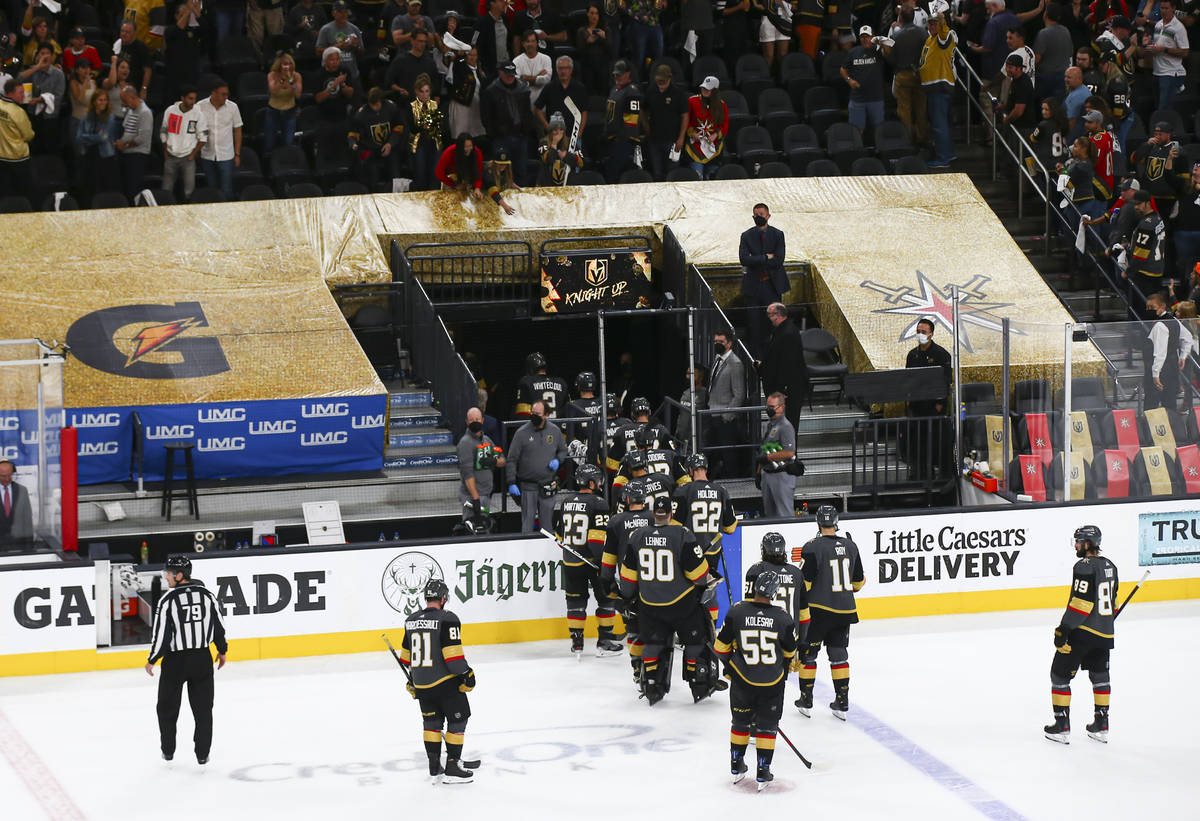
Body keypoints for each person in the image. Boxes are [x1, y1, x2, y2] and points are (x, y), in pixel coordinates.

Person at [618, 494, 718, 705]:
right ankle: (696, 678)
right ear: (671, 513)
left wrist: (627, 598)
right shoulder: (683, 534)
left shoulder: (636, 536)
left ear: (653, 513)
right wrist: (707, 575)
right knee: (696, 639)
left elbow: (627, 579)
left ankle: (651, 683)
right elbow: (698, 576)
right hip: (682, 605)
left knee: (653, 643)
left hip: (650, 606)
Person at [715, 569, 797, 790]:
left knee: (740, 723)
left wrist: (732, 666)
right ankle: (763, 770)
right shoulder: (783, 618)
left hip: (742, 680)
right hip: (772, 682)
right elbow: (790, 653)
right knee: (767, 726)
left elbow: (720, 647)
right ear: (774, 592)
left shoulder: (737, 612)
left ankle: (736, 765)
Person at [145, 555, 228, 765]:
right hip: (202, 659)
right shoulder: (208, 595)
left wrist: (152, 659)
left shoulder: (168, 600)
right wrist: (222, 650)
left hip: (175, 662)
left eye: (169, 574)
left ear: (179, 575)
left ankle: (168, 751)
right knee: (203, 710)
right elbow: (219, 626)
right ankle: (202, 754)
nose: (166, 578)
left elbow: (161, 635)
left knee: (166, 708)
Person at [1044, 525, 1119, 744]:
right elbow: (1113, 603)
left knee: (1059, 675)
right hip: (1104, 634)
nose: (1075, 545)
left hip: (1082, 632)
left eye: (1078, 542)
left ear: (1087, 544)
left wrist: (1063, 630)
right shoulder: (1111, 566)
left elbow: (1080, 604)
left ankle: (1061, 727)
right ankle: (1101, 725)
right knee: (1100, 676)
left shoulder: (1083, 566)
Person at [399, 579, 477, 783]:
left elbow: (406, 658)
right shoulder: (448, 618)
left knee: (431, 724)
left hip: (422, 685)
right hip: (445, 683)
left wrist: (413, 681)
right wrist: (467, 675)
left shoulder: (411, 620)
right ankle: (453, 764)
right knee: (459, 720)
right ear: (443, 598)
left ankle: (434, 766)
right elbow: (453, 659)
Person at [796, 505, 864, 720]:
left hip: (818, 610)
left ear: (818, 523)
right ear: (836, 523)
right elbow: (858, 583)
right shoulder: (851, 546)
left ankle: (806, 699)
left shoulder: (811, 546)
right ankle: (842, 701)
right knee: (838, 655)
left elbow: (804, 584)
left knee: (809, 655)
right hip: (844, 609)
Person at [553, 463, 623, 657]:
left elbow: (559, 537)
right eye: (598, 480)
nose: (600, 483)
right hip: (591, 560)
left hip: (571, 561)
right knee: (607, 598)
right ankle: (604, 641)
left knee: (575, 601)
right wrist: (603, 565)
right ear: (591, 482)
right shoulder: (598, 503)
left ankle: (577, 643)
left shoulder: (566, 502)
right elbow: (596, 539)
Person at [671, 452, 737, 621]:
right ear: (706, 469)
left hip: (690, 551)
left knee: (687, 591)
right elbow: (730, 528)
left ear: (691, 470)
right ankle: (711, 630)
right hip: (712, 550)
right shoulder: (721, 491)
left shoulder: (684, 490)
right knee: (709, 591)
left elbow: (675, 527)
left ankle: (689, 630)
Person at [506, 400, 568, 533]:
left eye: (538, 414)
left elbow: (563, 450)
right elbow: (511, 459)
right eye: (532, 413)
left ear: (546, 415)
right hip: (528, 487)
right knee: (527, 525)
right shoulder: (521, 433)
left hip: (548, 485)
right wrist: (511, 482)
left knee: (547, 527)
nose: (534, 416)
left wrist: (558, 460)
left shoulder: (555, 431)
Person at [739, 203, 788, 359]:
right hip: (753, 287)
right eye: (756, 214)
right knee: (754, 324)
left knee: (773, 322)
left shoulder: (778, 234)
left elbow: (779, 260)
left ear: (768, 216)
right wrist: (767, 257)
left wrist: (756, 259)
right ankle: (756, 359)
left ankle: (774, 355)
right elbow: (744, 259)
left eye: (761, 214)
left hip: (771, 286)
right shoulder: (746, 235)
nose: (758, 217)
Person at [743, 531, 811, 642]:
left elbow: (750, 609)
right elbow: (804, 614)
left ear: (764, 550)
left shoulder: (756, 570)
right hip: (791, 637)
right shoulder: (797, 573)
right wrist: (802, 640)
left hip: (765, 636)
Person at [481, 62, 534, 187]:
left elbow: (527, 112)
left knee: (521, 169)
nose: (510, 77)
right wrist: (494, 133)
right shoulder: (491, 91)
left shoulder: (523, 90)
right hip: (501, 138)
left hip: (520, 136)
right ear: (500, 73)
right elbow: (485, 116)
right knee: (500, 171)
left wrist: (526, 129)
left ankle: (520, 198)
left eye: (512, 75)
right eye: (507, 75)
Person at [758, 302, 809, 428]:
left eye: (769, 314)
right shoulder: (780, 330)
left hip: (788, 389)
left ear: (778, 315)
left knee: (789, 423)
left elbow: (789, 364)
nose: (768, 318)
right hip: (781, 387)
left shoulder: (788, 333)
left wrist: (782, 389)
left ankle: (789, 447)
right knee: (778, 424)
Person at [919, 7, 958, 168]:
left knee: (939, 124)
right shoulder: (930, 39)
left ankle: (943, 158)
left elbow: (943, 32)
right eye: (930, 24)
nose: (931, 27)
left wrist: (942, 21)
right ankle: (949, 153)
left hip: (940, 86)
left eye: (935, 24)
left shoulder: (945, 36)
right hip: (934, 87)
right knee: (943, 123)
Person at [706, 329, 746, 479]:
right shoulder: (717, 359)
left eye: (720, 342)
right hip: (712, 411)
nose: (717, 344)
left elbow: (739, 394)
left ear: (729, 343)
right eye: (715, 342)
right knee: (714, 450)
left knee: (728, 452)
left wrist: (727, 416)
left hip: (724, 416)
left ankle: (733, 480)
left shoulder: (735, 363)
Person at [457, 406, 505, 527]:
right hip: (472, 497)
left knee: (485, 528)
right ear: (467, 422)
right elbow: (467, 474)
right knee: (472, 529)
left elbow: (503, 461)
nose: (475, 422)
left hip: (486, 494)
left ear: (482, 420)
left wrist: (492, 461)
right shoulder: (465, 443)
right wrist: (476, 499)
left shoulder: (487, 440)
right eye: (472, 420)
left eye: (477, 419)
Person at [1145, 290, 1192, 410]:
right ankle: (1172, 427)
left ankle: (1150, 428)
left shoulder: (1160, 325)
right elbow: (1188, 338)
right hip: (1172, 368)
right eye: (1147, 307)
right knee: (1170, 404)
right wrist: (1182, 356)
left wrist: (1155, 374)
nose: (1149, 310)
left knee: (1151, 405)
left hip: (1160, 370)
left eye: (1152, 307)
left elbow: (1160, 353)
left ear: (1162, 307)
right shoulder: (1173, 319)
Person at [350, 87, 404, 190]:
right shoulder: (361, 114)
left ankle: (397, 194)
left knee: (395, 166)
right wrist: (353, 143)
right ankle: (370, 193)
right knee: (363, 161)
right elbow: (353, 133)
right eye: (372, 105)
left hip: (389, 147)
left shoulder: (391, 108)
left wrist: (390, 143)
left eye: (377, 104)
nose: (375, 107)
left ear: (382, 101)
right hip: (369, 149)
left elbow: (399, 127)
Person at [197, 81, 243, 201]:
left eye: (227, 94)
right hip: (207, 154)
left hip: (226, 155)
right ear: (214, 93)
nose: (226, 97)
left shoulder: (233, 107)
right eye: (223, 94)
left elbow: (238, 130)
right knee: (211, 189)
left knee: (227, 189)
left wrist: (237, 154)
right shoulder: (200, 106)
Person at [159, 86, 207, 200]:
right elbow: (163, 131)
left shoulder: (199, 114)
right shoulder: (170, 110)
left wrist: (193, 154)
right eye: (190, 99)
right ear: (182, 98)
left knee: (189, 192)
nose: (193, 102)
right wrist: (165, 150)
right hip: (171, 156)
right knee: (166, 190)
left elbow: (203, 138)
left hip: (188, 158)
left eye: (194, 99)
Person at [889, 6, 928, 146]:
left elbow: (891, 59)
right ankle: (922, 138)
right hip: (920, 74)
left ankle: (907, 141)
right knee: (921, 108)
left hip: (903, 74)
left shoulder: (896, 35)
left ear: (901, 18)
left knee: (904, 109)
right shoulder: (923, 33)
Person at [641, 63, 686, 181]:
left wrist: (681, 138)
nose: (660, 84)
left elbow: (685, 116)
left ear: (669, 78)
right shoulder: (651, 90)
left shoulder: (678, 93)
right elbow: (642, 109)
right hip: (654, 139)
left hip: (672, 140)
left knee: (672, 174)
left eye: (663, 82)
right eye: (658, 81)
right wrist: (645, 124)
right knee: (657, 174)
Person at [842, 25, 890, 135]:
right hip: (857, 99)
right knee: (857, 131)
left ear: (872, 37)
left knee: (879, 130)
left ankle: (880, 150)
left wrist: (879, 42)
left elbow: (888, 52)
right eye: (862, 37)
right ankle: (858, 151)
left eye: (867, 36)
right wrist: (849, 80)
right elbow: (843, 69)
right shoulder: (853, 52)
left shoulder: (878, 51)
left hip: (876, 98)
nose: (865, 39)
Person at [74, 88, 121, 198]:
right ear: (94, 102)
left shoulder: (110, 117)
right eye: (100, 100)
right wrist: (95, 137)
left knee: (104, 188)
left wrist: (88, 136)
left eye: (105, 100)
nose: (103, 102)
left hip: (105, 157)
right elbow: (78, 138)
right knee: (90, 188)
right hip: (89, 155)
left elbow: (104, 137)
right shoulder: (86, 118)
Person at [1124, 190, 1168, 309]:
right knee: (1152, 310)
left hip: (1144, 274)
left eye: (1139, 204)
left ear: (1147, 203)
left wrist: (1128, 272)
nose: (1136, 207)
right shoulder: (1158, 219)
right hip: (1156, 270)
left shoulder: (1146, 224)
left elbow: (1140, 255)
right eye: (1135, 204)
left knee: (1138, 311)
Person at [757, 392, 796, 518]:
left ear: (781, 407)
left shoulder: (786, 427)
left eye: (772, 407)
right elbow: (764, 449)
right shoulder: (769, 425)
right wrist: (759, 471)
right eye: (768, 406)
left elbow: (789, 452)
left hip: (781, 475)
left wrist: (767, 458)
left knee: (784, 514)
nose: (769, 409)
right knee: (770, 515)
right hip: (767, 474)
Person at [404, 74, 446, 191]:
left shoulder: (435, 104)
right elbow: (412, 128)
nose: (424, 94)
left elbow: (439, 125)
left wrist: (431, 124)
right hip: (419, 143)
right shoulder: (411, 107)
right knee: (420, 175)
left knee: (435, 174)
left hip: (434, 142)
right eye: (422, 91)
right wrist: (427, 124)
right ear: (416, 92)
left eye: (427, 91)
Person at [603, 58, 642, 183]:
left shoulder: (632, 91)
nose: (617, 76)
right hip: (612, 138)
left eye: (620, 74)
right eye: (615, 74)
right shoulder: (614, 89)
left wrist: (622, 138)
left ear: (628, 73)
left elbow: (632, 120)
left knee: (617, 175)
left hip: (624, 141)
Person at [905, 316, 952, 417]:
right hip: (915, 404)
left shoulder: (942, 354)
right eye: (918, 331)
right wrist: (908, 401)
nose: (920, 334)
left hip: (934, 405)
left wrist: (939, 404)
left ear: (931, 334)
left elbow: (946, 380)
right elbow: (908, 378)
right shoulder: (912, 355)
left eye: (923, 332)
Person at [683, 75, 728, 179]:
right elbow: (686, 120)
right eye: (703, 88)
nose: (704, 90)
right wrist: (692, 133)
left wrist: (716, 135)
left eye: (708, 89)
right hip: (695, 147)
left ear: (715, 91)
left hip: (714, 149)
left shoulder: (722, 105)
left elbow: (725, 125)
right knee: (698, 179)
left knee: (711, 180)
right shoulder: (692, 101)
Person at [1146, 0, 1189, 110]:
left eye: (1166, 8)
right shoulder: (1158, 25)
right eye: (1162, 8)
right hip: (1157, 72)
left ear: (1173, 8)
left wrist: (1164, 49)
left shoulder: (1179, 28)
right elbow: (1157, 45)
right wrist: (1149, 44)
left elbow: (1185, 51)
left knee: (1164, 109)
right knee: (1157, 107)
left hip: (1170, 73)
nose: (1163, 11)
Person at [534, 55, 587, 142]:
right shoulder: (549, 87)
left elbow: (584, 112)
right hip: (554, 135)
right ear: (557, 70)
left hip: (573, 136)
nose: (563, 71)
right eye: (560, 68)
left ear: (571, 69)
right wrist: (547, 127)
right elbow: (537, 109)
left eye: (566, 68)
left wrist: (580, 132)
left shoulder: (579, 88)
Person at [115, 85, 152, 201]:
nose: (124, 104)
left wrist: (124, 145)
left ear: (132, 97)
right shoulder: (131, 110)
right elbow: (126, 128)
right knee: (126, 188)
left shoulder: (145, 113)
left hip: (137, 156)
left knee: (133, 190)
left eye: (125, 101)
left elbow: (142, 138)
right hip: (127, 154)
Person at [315, 1, 364, 89]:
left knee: (355, 101)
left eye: (345, 12)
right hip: (330, 76)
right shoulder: (326, 29)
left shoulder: (354, 29)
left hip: (352, 74)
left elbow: (362, 52)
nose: (343, 14)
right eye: (340, 12)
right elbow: (318, 52)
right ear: (333, 13)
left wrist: (356, 46)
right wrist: (338, 47)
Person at [0, 78, 34, 199]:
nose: (24, 95)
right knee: (22, 194)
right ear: (10, 94)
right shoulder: (18, 112)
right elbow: (29, 135)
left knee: (4, 193)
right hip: (18, 158)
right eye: (20, 93)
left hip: (1, 158)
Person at [1035, 3, 1074, 98]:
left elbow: (1036, 58)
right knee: (1058, 108)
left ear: (1045, 15)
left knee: (1045, 107)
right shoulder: (1066, 31)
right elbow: (1070, 53)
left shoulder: (1043, 34)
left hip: (1045, 78)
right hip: (1063, 77)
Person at [265, 53, 302, 153]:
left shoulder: (296, 76)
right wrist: (282, 80)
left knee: (288, 142)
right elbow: (274, 91)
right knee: (270, 143)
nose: (288, 66)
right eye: (285, 64)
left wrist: (290, 80)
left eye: (290, 64)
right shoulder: (272, 75)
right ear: (279, 64)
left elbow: (298, 94)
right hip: (273, 111)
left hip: (290, 112)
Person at [514, 351, 569, 418]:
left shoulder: (526, 382)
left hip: (538, 426)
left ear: (530, 369)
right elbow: (568, 409)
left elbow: (522, 413)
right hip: (558, 426)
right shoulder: (561, 383)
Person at [447, 48, 486, 140]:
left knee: (476, 135)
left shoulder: (479, 71)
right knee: (461, 135)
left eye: (474, 55)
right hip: (461, 106)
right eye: (470, 55)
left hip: (475, 107)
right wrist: (458, 57)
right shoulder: (460, 67)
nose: (472, 58)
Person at [574, 4, 613, 96]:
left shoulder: (606, 30)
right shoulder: (582, 31)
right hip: (587, 63)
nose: (594, 16)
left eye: (596, 13)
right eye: (591, 13)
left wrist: (603, 38)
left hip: (602, 63)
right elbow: (579, 51)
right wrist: (588, 41)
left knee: (603, 86)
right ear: (587, 14)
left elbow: (611, 50)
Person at [537, 112, 584, 185]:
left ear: (564, 131)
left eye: (561, 129)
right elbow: (546, 159)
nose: (558, 132)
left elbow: (581, 162)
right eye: (555, 129)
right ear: (550, 131)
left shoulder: (571, 142)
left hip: (568, 184)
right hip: (546, 184)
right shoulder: (543, 142)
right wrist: (554, 144)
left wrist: (567, 155)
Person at [513, 29, 551, 106]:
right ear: (523, 44)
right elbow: (517, 83)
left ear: (537, 43)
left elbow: (546, 80)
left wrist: (524, 77)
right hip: (523, 104)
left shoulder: (546, 58)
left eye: (533, 41)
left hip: (542, 104)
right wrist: (538, 76)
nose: (530, 44)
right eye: (527, 41)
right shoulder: (516, 61)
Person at [0, 459, 33, 544]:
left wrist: (29, 547)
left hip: (18, 544)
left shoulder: (22, 490)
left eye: (10, 475)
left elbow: (27, 521)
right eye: (3, 476)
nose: (7, 479)